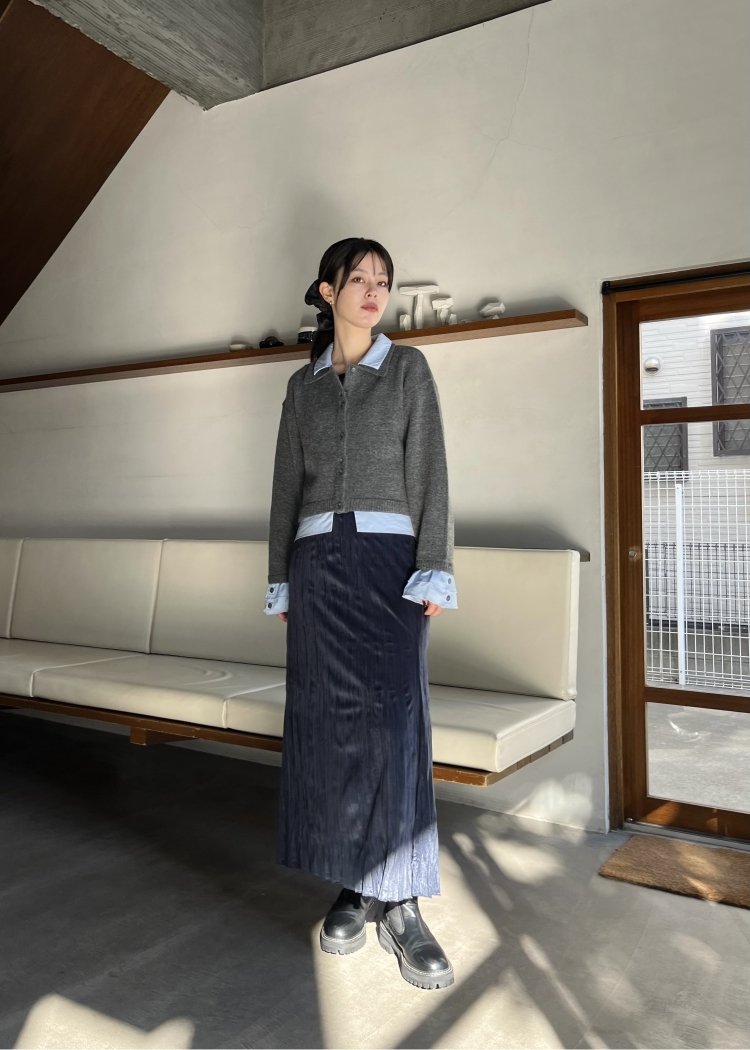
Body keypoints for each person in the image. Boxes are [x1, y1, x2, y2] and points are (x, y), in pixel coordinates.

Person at [264, 237, 457, 991]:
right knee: (329, 722)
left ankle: (401, 899)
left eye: (384, 281)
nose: (375, 291)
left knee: (396, 722)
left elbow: (431, 470)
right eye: (360, 279)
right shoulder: (302, 388)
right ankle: (352, 880)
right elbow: (285, 488)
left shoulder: (407, 370)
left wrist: (434, 564)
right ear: (328, 291)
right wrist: (280, 578)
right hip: (317, 568)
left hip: (390, 568)